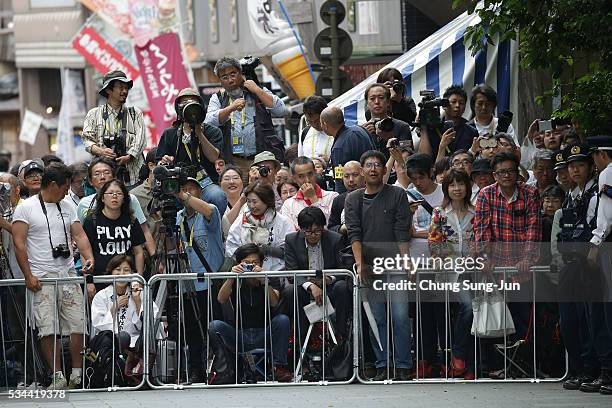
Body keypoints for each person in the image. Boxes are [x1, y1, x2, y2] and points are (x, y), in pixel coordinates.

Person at [12, 163, 95, 390]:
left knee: (78, 322)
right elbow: (19, 243)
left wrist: (88, 258)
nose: (68, 191)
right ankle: (57, 376)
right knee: (47, 328)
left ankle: (77, 374)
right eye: (65, 187)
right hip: (41, 275)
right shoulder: (26, 208)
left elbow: (79, 234)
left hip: (67, 272)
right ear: (52, 185)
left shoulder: (67, 205)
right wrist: (28, 275)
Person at [344, 150, 412, 381]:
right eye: (369, 164)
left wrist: (405, 261)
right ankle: (383, 363)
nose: (373, 168)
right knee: (377, 317)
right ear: (362, 171)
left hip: (394, 263)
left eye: (378, 164)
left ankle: (403, 364)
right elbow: (354, 233)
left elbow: (401, 230)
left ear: (386, 170)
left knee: (400, 315)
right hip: (369, 266)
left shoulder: (397, 194)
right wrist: (360, 263)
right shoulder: (353, 198)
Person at [551, 143, 604, 392]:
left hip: (588, 263)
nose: (574, 171)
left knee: (588, 320)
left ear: (590, 166)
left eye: (580, 165)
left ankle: (593, 369)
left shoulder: (595, 192)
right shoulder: (571, 195)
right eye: (571, 167)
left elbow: (594, 228)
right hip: (569, 263)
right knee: (569, 319)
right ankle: (578, 368)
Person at [473, 152, 541, 342]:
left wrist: (528, 258)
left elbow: (533, 229)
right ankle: (498, 366)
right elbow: (481, 230)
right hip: (496, 266)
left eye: (511, 171)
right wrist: (484, 258)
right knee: (497, 317)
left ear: (517, 171)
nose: (506, 175)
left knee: (523, 317)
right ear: (494, 175)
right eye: (501, 172)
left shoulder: (530, 193)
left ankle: (524, 366)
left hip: (522, 266)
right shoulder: (486, 194)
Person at [209, 244, 293, 383]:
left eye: (255, 263)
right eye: (246, 263)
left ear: (261, 264)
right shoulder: (235, 278)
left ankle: (279, 367)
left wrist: (264, 281)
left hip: (264, 334)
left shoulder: (268, 277)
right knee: (215, 325)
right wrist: (232, 277)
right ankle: (225, 368)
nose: (250, 267)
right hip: (240, 335)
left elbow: (274, 302)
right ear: (239, 263)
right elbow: (221, 299)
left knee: (282, 320)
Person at [175, 176, 225, 382]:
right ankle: (194, 371)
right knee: (192, 333)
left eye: (191, 190)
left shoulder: (209, 211)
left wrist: (181, 194)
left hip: (209, 282)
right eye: (183, 189)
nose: (187, 193)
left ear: (200, 194)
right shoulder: (177, 216)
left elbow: (209, 211)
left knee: (213, 329)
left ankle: (222, 369)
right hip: (186, 284)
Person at [427, 169, 476, 379]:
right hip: (448, 273)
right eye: (452, 185)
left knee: (469, 309)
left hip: (472, 272)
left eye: (461, 184)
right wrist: (441, 257)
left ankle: (461, 358)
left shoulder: (477, 212)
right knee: (458, 311)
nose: (457, 189)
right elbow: (433, 241)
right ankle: (456, 357)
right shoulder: (439, 212)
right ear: (446, 188)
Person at [205, 57, 287, 175]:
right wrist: (230, 108)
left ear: (240, 72)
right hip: (234, 161)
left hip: (261, 158)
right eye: (224, 77)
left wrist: (257, 90)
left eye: (233, 74)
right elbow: (209, 121)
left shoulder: (257, 90)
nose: (230, 80)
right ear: (220, 80)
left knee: (262, 192)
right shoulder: (218, 98)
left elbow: (281, 110)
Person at [282, 207, 350, 343]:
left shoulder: (335, 239)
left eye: (318, 231)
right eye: (308, 231)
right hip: (305, 288)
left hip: (330, 286)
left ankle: (341, 334)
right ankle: (300, 336)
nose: (313, 235)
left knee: (343, 287)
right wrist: (311, 287)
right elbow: (291, 271)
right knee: (290, 290)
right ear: (301, 229)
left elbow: (344, 269)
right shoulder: (291, 240)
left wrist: (329, 279)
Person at [157, 88, 228, 215]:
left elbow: (213, 157)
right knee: (166, 202)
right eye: (184, 103)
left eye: (192, 103)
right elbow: (158, 164)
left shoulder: (212, 131)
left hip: (206, 183)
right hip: (178, 185)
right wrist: (165, 161)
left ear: (200, 107)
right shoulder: (170, 133)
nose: (188, 107)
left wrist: (199, 133)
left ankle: (213, 228)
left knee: (218, 196)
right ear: (178, 109)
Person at [90, 255, 153, 384]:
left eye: (126, 270)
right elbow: (99, 326)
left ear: (132, 273)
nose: (122, 274)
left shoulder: (139, 292)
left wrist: (137, 301)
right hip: (109, 345)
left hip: (135, 343)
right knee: (116, 337)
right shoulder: (101, 296)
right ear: (111, 272)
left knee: (136, 339)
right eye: (118, 269)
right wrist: (114, 309)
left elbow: (147, 324)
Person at [77, 157, 155, 257]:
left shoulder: (130, 199)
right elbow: (82, 237)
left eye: (106, 172)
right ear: (90, 181)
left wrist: (154, 257)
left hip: (127, 262)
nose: (102, 177)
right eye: (97, 174)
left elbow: (144, 230)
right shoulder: (84, 203)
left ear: (114, 177)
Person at [82, 70, 146, 187]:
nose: (125, 91)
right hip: (104, 180)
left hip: (133, 177)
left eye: (126, 88)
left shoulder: (135, 113)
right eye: (121, 87)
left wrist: (130, 156)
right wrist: (102, 151)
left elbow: (141, 139)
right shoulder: (94, 114)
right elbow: (87, 140)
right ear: (108, 90)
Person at [82, 179, 146, 294]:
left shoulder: (131, 220)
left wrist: (138, 279)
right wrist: (89, 281)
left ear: (124, 199)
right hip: (99, 279)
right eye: (110, 193)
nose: (114, 196)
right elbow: (85, 252)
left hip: (126, 278)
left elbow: (138, 252)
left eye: (119, 193)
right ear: (102, 198)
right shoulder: (92, 220)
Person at [586, 135, 612, 395]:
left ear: (601, 155)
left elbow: (606, 214)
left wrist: (595, 245)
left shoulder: (608, 174)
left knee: (607, 307)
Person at [226, 181, 294, 272]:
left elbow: (290, 251)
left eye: (255, 202)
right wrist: (249, 254)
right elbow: (231, 246)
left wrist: (267, 250)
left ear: (267, 201)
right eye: (249, 201)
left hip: (276, 274)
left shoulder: (283, 221)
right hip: (247, 274)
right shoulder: (241, 219)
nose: (251, 205)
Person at [320, 106, 374, 194]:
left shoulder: (339, 147)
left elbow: (340, 180)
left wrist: (340, 201)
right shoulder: (360, 130)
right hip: (374, 186)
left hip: (356, 195)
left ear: (325, 125)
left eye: (321, 123)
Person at [420, 85, 479, 162]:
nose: (457, 106)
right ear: (444, 105)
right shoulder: (433, 129)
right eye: (453, 102)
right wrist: (423, 126)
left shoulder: (471, 131)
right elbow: (424, 158)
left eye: (461, 103)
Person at [360, 83, 414, 163]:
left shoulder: (402, 127)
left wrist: (389, 139)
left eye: (381, 98)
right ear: (367, 103)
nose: (377, 102)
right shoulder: (361, 131)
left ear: (388, 101)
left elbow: (406, 160)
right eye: (372, 99)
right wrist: (363, 136)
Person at [280, 156, 338, 230]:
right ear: (294, 178)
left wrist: (313, 199)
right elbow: (291, 235)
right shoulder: (288, 204)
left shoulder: (332, 197)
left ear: (315, 172)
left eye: (310, 174)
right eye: (301, 176)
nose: (307, 180)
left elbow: (329, 227)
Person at [405, 153, 444, 259]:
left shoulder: (445, 192)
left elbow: (450, 229)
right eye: (413, 179)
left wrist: (417, 234)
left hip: (444, 254)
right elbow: (406, 232)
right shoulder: (406, 196)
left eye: (421, 177)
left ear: (431, 172)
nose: (417, 182)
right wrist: (410, 213)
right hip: (417, 256)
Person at [328, 161, 365, 243]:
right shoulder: (338, 200)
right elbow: (331, 228)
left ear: (364, 175)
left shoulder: (373, 196)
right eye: (346, 176)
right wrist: (343, 228)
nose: (351, 180)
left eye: (355, 175)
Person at [130, 149, 159, 240]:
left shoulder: (175, 192)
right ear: (151, 166)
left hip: (173, 248)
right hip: (146, 250)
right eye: (164, 165)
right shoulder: (134, 196)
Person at [299, 95, 334, 161]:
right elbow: (301, 160)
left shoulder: (336, 133)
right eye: (309, 121)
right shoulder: (305, 133)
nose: (314, 125)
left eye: (317, 121)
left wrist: (329, 162)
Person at [219, 165, 245, 239]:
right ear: (220, 184)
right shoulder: (217, 205)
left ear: (242, 182)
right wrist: (241, 201)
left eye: (236, 178)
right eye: (227, 179)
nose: (232, 182)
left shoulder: (250, 202)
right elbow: (225, 228)